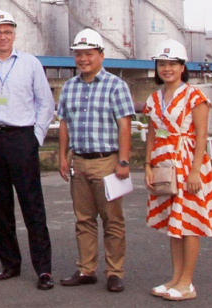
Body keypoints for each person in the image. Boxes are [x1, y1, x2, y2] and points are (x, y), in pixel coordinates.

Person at [0, 10, 56, 290]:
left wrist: (36, 137)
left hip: (22, 138)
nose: (2, 36)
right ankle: (10, 264)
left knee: (32, 205)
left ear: (14, 34)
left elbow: (46, 103)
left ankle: (43, 269)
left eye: (7, 31)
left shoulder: (30, 64)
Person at [143, 39, 212, 301]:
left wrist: (195, 172)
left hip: (189, 162)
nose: (166, 68)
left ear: (182, 67)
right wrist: (148, 166)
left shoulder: (194, 95)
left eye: (172, 64)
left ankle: (187, 282)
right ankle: (176, 278)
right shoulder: (154, 98)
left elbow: (201, 136)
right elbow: (152, 134)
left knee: (189, 223)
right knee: (173, 223)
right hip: (164, 164)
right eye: (162, 64)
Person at [57, 28, 134, 293]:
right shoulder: (69, 87)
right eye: (79, 54)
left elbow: (125, 125)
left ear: (101, 55)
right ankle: (86, 269)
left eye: (88, 54)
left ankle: (114, 272)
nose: (83, 59)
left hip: (107, 162)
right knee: (83, 219)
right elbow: (64, 124)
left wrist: (123, 161)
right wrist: (63, 157)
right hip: (80, 161)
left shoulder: (116, 86)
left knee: (112, 220)